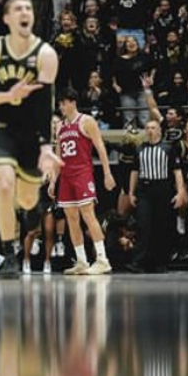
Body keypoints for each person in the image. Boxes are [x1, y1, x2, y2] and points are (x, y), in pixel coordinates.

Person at [0, 0, 62, 278]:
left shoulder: (45, 54)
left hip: (32, 133)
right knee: (4, 183)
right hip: (2, 129)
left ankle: (31, 209)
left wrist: (47, 147)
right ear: (7, 18)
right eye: (18, 9)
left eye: (29, 9)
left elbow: (45, 104)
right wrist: (8, 95)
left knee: (25, 200)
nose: (25, 12)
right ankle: (9, 253)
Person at [51, 90, 115, 275]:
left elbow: (100, 147)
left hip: (83, 174)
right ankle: (81, 261)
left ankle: (103, 259)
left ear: (73, 103)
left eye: (63, 103)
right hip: (66, 176)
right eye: (59, 104)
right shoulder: (60, 126)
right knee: (71, 219)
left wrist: (107, 173)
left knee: (88, 216)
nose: (61, 107)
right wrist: (54, 180)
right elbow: (58, 156)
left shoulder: (86, 121)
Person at [127, 119, 187, 273]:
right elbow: (134, 171)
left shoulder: (169, 148)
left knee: (161, 226)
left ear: (159, 130)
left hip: (163, 188)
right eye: (147, 128)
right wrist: (131, 192)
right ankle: (137, 262)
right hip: (145, 189)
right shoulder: (140, 149)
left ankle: (160, 262)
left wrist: (180, 192)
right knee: (143, 224)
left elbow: (177, 171)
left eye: (153, 127)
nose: (150, 130)